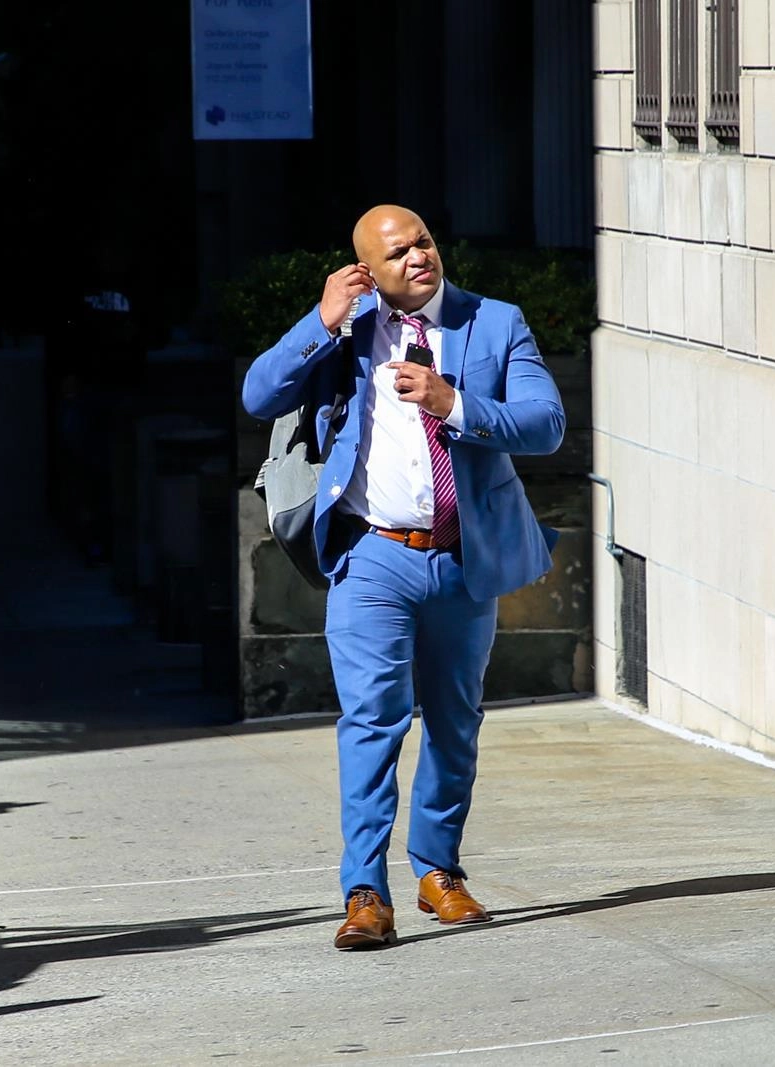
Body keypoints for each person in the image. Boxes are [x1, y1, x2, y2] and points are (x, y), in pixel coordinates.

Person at [241, 205, 565, 949]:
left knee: (455, 723)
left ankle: (438, 870)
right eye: (397, 253)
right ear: (368, 270)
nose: (418, 257)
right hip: (372, 555)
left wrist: (456, 403)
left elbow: (547, 423)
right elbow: (259, 395)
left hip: (462, 558)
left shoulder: (494, 322)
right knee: (372, 721)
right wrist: (321, 320)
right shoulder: (347, 331)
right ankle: (364, 893)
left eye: (423, 242)